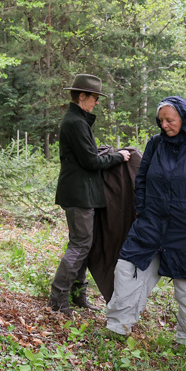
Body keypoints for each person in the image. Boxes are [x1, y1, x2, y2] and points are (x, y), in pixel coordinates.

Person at [106, 96, 186, 344]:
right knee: (127, 269)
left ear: (184, 118)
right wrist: (142, 210)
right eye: (161, 120)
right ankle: (117, 327)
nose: (164, 125)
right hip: (150, 224)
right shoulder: (155, 144)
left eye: (169, 120)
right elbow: (141, 179)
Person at [51, 73, 131, 316]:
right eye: (95, 97)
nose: (97, 102)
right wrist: (118, 157)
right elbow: (90, 161)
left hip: (83, 193)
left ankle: (78, 295)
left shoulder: (78, 121)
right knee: (80, 244)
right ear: (82, 96)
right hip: (79, 195)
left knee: (83, 244)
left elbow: (87, 156)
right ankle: (58, 298)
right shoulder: (75, 122)